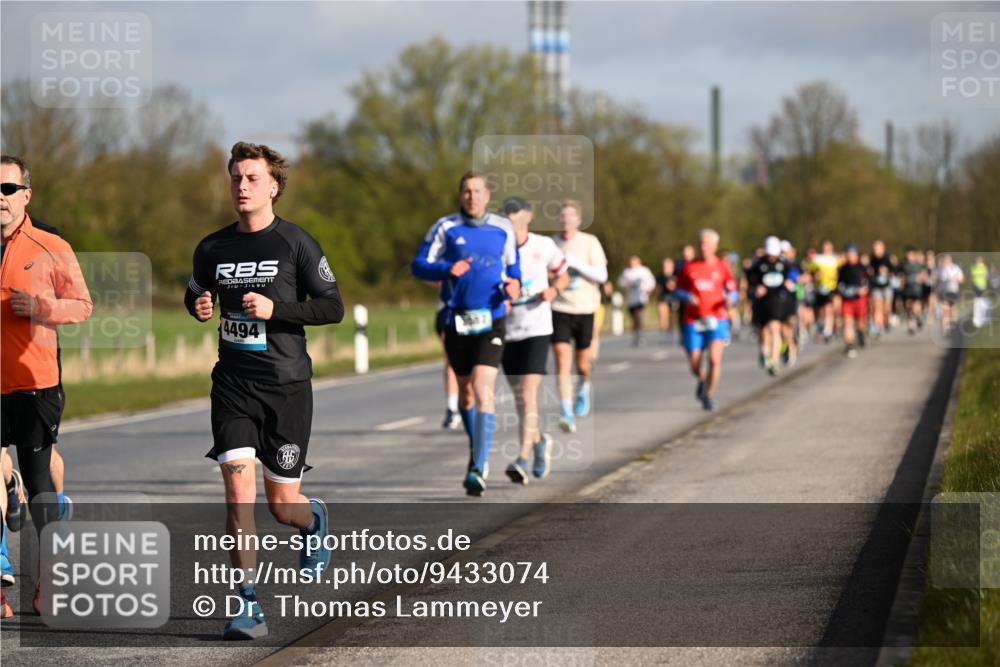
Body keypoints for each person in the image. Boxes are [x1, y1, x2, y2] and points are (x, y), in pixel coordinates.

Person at [185, 142, 344, 639]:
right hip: (233, 385)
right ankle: (247, 603)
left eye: (252, 178)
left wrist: (279, 311)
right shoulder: (213, 247)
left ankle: (313, 520)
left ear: (273, 187)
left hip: (287, 387)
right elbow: (193, 291)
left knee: (281, 507)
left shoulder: (296, 243)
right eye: (235, 178)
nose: (242, 186)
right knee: (237, 494)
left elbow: (332, 307)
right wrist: (199, 306)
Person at [1, 155, 93, 617]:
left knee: (39, 485)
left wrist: (40, 307)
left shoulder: (51, 244)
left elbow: (81, 305)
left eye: (8, 189)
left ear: (26, 195)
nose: (0, 198)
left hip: (35, 384)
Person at [412, 171, 520, 496]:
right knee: (465, 394)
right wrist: (446, 269)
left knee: (483, 387)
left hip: (493, 318)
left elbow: (514, 270)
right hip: (456, 320)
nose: (472, 197)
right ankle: (480, 450)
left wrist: (513, 285)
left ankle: (478, 466)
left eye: (477, 191)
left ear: (487, 196)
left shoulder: (503, 228)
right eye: (466, 191)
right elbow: (418, 265)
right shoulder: (445, 227)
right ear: (461, 196)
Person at [497, 198, 568, 484]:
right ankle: (540, 442)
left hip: (537, 329)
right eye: (506, 219)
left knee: (528, 395)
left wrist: (553, 290)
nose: (511, 224)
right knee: (520, 399)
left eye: (516, 219)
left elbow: (563, 274)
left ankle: (522, 458)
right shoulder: (497, 249)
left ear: (528, 218)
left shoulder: (543, 246)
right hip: (507, 330)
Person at [550, 200, 607, 433]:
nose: (566, 220)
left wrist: (575, 263)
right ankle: (566, 411)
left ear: (578, 220)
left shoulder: (589, 242)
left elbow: (602, 275)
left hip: (585, 308)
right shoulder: (551, 244)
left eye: (570, 216)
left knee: (582, 364)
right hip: (559, 308)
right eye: (562, 216)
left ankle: (583, 384)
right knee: (562, 361)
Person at [675, 229, 738, 411]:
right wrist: (687, 296)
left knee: (714, 360)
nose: (703, 247)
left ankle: (708, 395)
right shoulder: (689, 267)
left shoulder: (721, 267)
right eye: (701, 244)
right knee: (694, 363)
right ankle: (702, 379)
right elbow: (678, 290)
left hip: (716, 319)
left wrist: (730, 299)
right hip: (693, 320)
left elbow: (732, 289)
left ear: (715, 246)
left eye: (707, 244)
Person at [747, 236, 794, 376]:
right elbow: (750, 280)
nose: (772, 257)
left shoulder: (784, 263)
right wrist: (756, 288)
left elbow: (792, 277)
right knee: (763, 331)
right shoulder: (758, 264)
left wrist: (789, 283)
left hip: (778, 301)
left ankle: (774, 362)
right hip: (762, 302)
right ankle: (764, 353)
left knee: (775, 328)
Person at [837, 244, 869, 358]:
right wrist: (844, 290)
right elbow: (839, 284)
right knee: (847, 323)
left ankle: (861, 334)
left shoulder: (862, 268)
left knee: (860, 324)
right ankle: (850, 345)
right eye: (848, 254)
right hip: (847, 300)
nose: (850, 256)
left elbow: (867, 283)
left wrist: (863, 290)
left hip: (860, 300)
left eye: (852, 254)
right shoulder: (842, 269)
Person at [618, 255, 657, 347]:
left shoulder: (644, 271)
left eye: (634, 261)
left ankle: (640, 334)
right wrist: (626, 284)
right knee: (633, 318)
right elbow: (620, 282)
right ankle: (635, 335)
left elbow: (651, 282)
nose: (632, 263)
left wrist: (647, 289)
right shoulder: (627, 272)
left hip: (641, 297)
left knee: (638, 315)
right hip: (631, 299)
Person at [808, 240, 840, 343]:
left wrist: (837, 276)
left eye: (829, 247)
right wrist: (814, 276)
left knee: (829, 308)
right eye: (825, 247)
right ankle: (823, 325)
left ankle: (828, 330)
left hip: (832, 287)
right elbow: (810, 270)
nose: (827, 249)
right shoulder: (817, 259)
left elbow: (842, 271)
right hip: (820, 287)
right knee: (821, 310)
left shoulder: (836, 259)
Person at [900, 247, 928, 335]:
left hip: (917, 289)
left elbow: (924, 275)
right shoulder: (904, 265)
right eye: (908, 254)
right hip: (907, 290)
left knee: (916, 307)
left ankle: (918, 317)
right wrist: (902, 283)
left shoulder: (919, 265)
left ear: (914, 255)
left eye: (911, 254)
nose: (910, 256)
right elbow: (902, 276)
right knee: (908, 307)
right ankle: (911, 325)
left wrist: (921, 278)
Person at [869, 240, 894, 337]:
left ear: (882, 249)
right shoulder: (872, 260)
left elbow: (893, 273)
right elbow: (869, 272)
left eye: (878, 248)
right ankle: (878, 327)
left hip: (887, 287)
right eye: (875, 249)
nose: (876, 251)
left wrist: (887, 272)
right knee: (877, 307)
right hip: (876, 287)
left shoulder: (887, 259)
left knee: (886, 308)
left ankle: (886, 319)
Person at [935, 253, 964, 333]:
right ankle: (945, 327)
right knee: (945, 308)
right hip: (943, 291)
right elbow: (936, 280)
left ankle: (952, 323)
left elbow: (961, 279)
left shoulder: (955, 268)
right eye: (945, 259)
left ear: (951, 260)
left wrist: (955, 279)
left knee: (952, 308)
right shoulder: (940, 269)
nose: (947, 261)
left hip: (953, 290)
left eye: (948, 259)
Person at [655, 258, 678, 344]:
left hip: (674, 297)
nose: (666, 267)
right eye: (665, 265)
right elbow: (657, 287)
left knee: (671, 316)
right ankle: (663, 330)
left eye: (668, 265)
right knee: (663, 313)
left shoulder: (676, 275)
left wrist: (673, 286)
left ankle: (670, 332)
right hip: (663, 297)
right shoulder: (660, 276)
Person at [971, 256, 991, 328]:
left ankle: (982, 318)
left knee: (981, 301)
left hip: (982, 286)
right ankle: (977, 318)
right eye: (977, 261)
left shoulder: (983, 268)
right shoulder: (974, 268)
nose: (978, 263)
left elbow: (987, 276)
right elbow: (973, 276)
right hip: (976, 286)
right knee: (977, 301)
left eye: (979, 261)